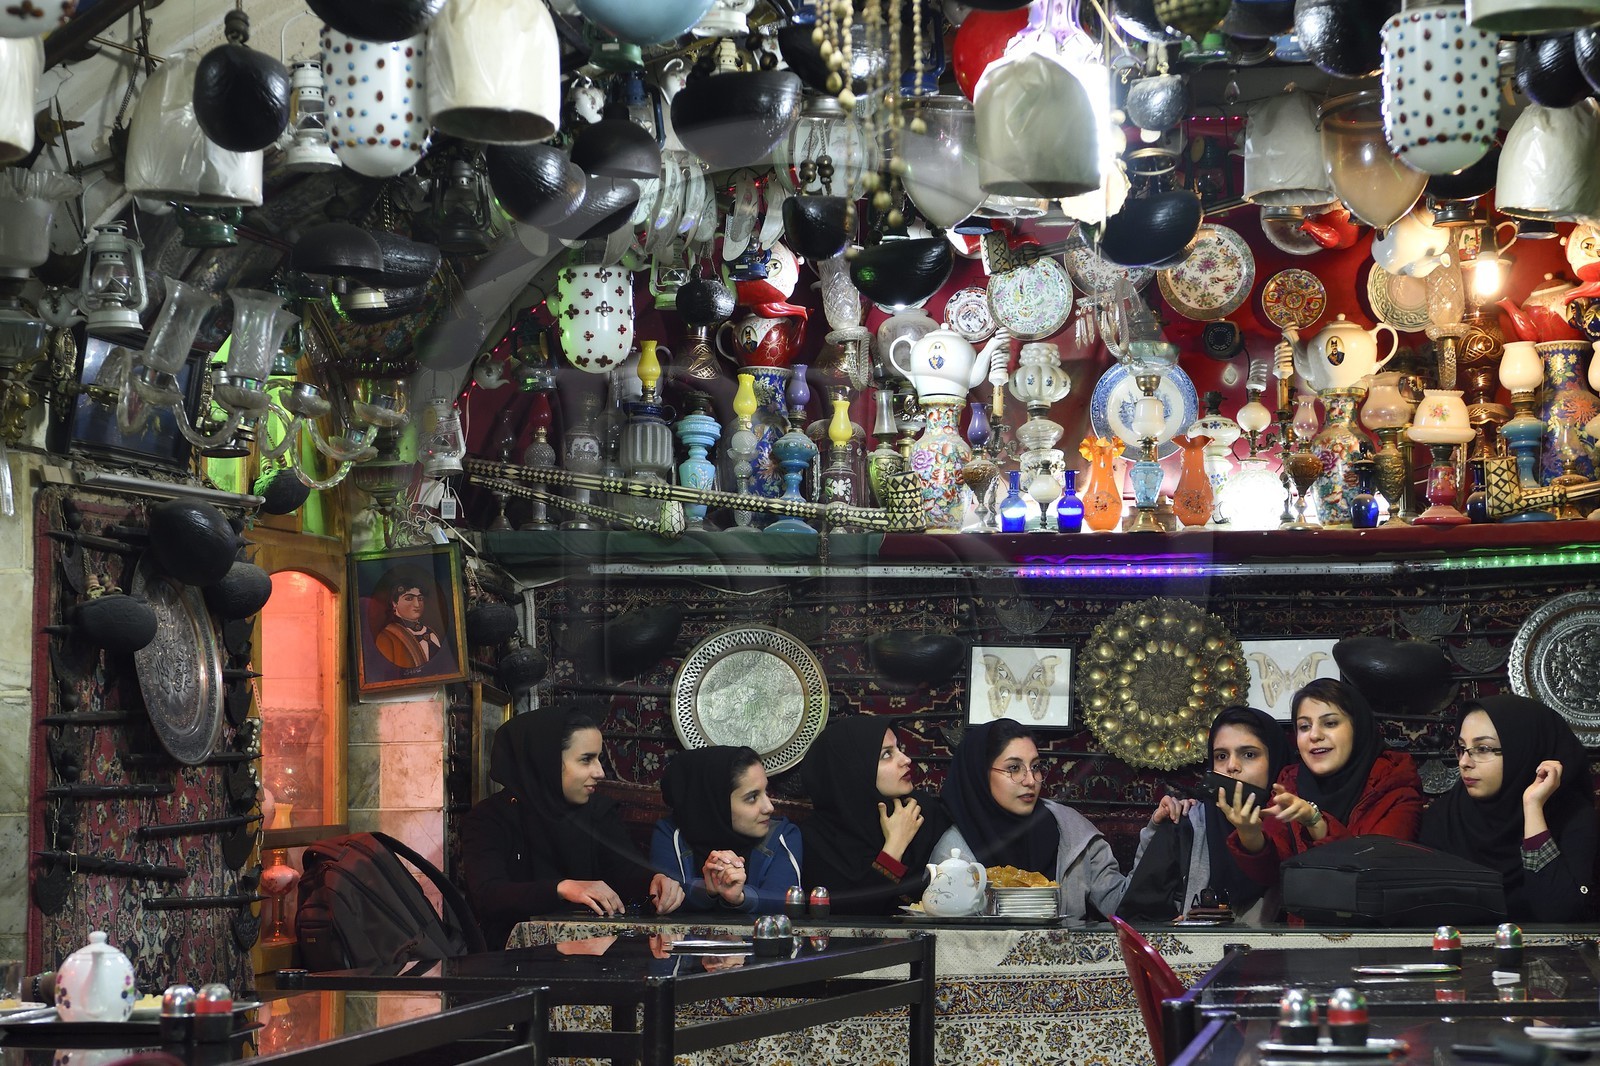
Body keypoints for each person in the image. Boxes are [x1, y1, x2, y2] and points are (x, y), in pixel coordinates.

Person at [462, 708, 684, 947]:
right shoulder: (491, 818)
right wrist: (562, 888)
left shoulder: (597, 811)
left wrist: (657, 881)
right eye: (586, 759)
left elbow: (625, 871)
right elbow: (488, 895)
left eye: (599, 759)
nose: (599, 772)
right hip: (513, 962)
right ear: (545, 760)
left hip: (595, 957)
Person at [1222, 678, 1424, 887]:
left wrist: (1315, 821)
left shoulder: (1396, 787)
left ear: (1358, 726)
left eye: (1330, 723)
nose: (1315, 735)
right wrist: (1251, 836)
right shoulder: (1290, 783)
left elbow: (1373, 877)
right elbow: (1274, 876)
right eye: (1304, 726)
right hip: (1307, 918)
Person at [1420, 694, 1597, 923]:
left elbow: (1560, 915)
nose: (1464, 762)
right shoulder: (1444, 818)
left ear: (1524, 750)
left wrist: (1533, 808)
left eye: (1483, 748)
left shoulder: (1573, 817)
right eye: (1462, 748)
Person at [933, 718, 1128, 922]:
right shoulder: (953, 855)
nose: (1030, 780)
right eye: (1014, 768)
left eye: (1035, 767)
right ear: (980, 773)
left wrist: (1155, 834)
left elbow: (1122, 906)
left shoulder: (1072, 830)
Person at [1125, 706, 1292, 924]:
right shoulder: (1185, 823)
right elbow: (1138, 915)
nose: (1232, 766)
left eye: (1249, 754)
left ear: (1275, 759)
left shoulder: (1296, 826)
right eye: (1221, 756)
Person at [799, 717, 953, 916]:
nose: (906, 760)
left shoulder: (923, 814)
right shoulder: (816, 840)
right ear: (852, 770)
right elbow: (853, 918)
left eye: (899, 748)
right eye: (886, 754)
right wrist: (894, 848)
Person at [649, 746, 803, 914]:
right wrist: (707, 889)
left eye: (765, 792)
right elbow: (664, 895)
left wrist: (741, 897)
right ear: (716, 801)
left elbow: (787, 901)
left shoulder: (783, 834)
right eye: (752, 797)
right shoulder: (671, 834)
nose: (769, 807)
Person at [370, 565, 455, 677]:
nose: (417, 604)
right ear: (394, 603)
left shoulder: (430, 632)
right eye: (409, 598)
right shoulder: (387, 637)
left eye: (420, 599)